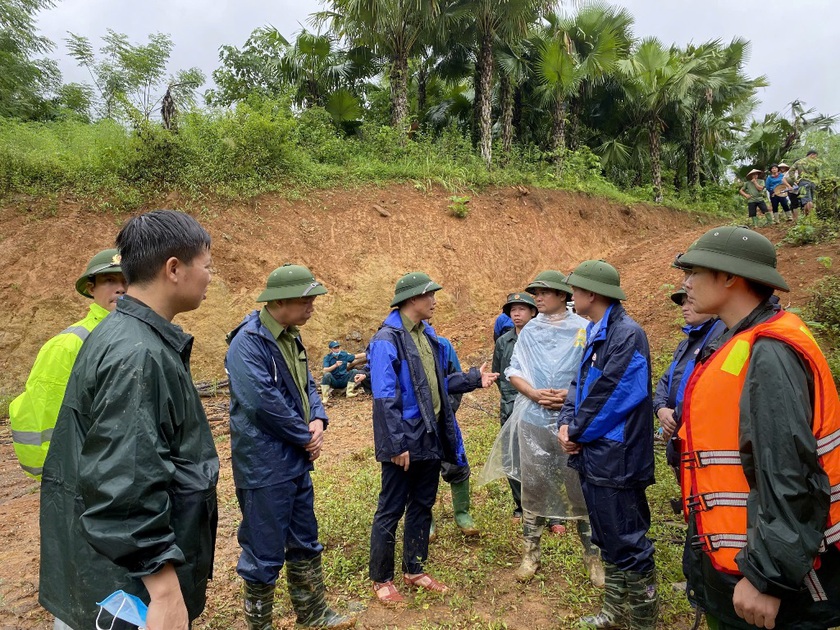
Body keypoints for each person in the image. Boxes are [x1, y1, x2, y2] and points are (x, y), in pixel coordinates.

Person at [39, 210, 218, 630]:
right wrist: (165, 589)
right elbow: (124, 482)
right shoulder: (139, 353)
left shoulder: (121, 333)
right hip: (126, 590)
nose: (211, 277)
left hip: (105, 572)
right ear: (174, 268)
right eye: (207, 265)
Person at [677, 225, 840, 630]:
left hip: (767, 580)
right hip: (734, 559)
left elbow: (789, 471)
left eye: (694, 272)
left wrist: (767, 577)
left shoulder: (770, 352)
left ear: (729, 277)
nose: (686, 283)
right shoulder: (739, 339)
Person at [226, 264, 353, 630]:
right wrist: (305, 435)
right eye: (306, 298)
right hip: (264, 465)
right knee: (263, 554)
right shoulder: (248, 342)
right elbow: (261, 402)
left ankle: (313, 615)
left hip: (294, 460)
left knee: (305, 541)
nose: (313, 304)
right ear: (280, 300)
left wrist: (317, 418)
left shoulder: (290, 335)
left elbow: (308, 384)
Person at [367, 272, 496, 604]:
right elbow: (384, 398)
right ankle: (381, 578)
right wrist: (395, 444)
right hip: (404, 440)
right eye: (429, 295)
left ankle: (415, 569)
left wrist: (471, 379)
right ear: (412, 300)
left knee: (422, 505)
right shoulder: (387, 339)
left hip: (429, 435)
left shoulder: (428, 336)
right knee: (391, 509)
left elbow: (436, 383)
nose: (435, 301)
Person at [481, 271, 603, 587]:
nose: (537, 297)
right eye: (535, 292)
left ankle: (594, 558)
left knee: (580, 489)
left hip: (571, 423)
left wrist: (569, 395)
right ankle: (530, 554)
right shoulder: (529, 330)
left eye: (544, 292)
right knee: (533, 487)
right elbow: (514, 371)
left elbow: (594, 373)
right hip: (534, 418)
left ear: (563, 295)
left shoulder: (584, 329)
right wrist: (534, 393)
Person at [557, 260, 658, 629]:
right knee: (607, 535)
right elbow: (578, 384)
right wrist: (566, 422)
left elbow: (614, 394)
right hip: (596, 453)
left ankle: (643, 620)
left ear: (592, 294)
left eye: (576, 290)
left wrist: (577, 430)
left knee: (628, 539)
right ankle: (615, 612)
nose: (571, 296)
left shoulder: (627, 334)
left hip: (619, 456)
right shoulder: (597, 330)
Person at [9, 248, 125, 480]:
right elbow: (44, 416)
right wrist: (60, 476)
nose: (121, 288)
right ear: (91, 288)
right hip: (88, 479)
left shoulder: (140, 335)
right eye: (109, 280)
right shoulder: (68, 345)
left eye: (128, 280)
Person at [653, 287, 725, 480]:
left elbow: (706, 390)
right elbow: (665, 381)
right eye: (682, 303)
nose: (684, 307)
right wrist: (661, 409)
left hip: (700, 442)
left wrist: (675, 415)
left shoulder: (720, 337)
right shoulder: (685, 344)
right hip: (680, 440)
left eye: (690, 301)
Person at [491, 292, 538, 522]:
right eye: (512, 310)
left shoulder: (541, 337)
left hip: (539, 404)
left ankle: (550, 512)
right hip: (510, 406)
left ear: (533, 312)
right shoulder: (503, 341)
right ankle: (521, 505)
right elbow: (500, 374)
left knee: (540, 454)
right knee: (513, 455)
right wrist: (510, 400)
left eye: (521, 309)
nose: (516, 314)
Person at [791, 149, 821, 217]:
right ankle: (808, 217)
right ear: (811, 155)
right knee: (810, 200)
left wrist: (795, 180)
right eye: (815, 156)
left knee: (806, 201)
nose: (815, 158)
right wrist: (817, 181)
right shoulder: (815, 163)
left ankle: (808, 217)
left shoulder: (799, 162)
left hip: (803, 182)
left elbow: (791, 171)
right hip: (812, 182)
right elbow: (818, 174)